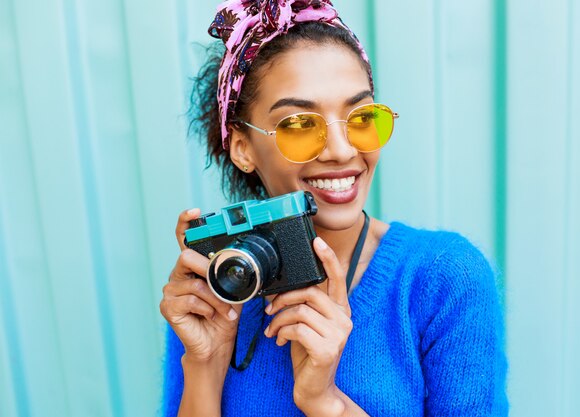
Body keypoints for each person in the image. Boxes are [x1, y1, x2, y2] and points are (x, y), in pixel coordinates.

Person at [160, 1, 508, 416]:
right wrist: (206, 362)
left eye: (361, 117)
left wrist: (325, 401)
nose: (343, 151)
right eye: (299, 126)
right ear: (242, 147)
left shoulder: (443, 278)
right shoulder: (219, 286)